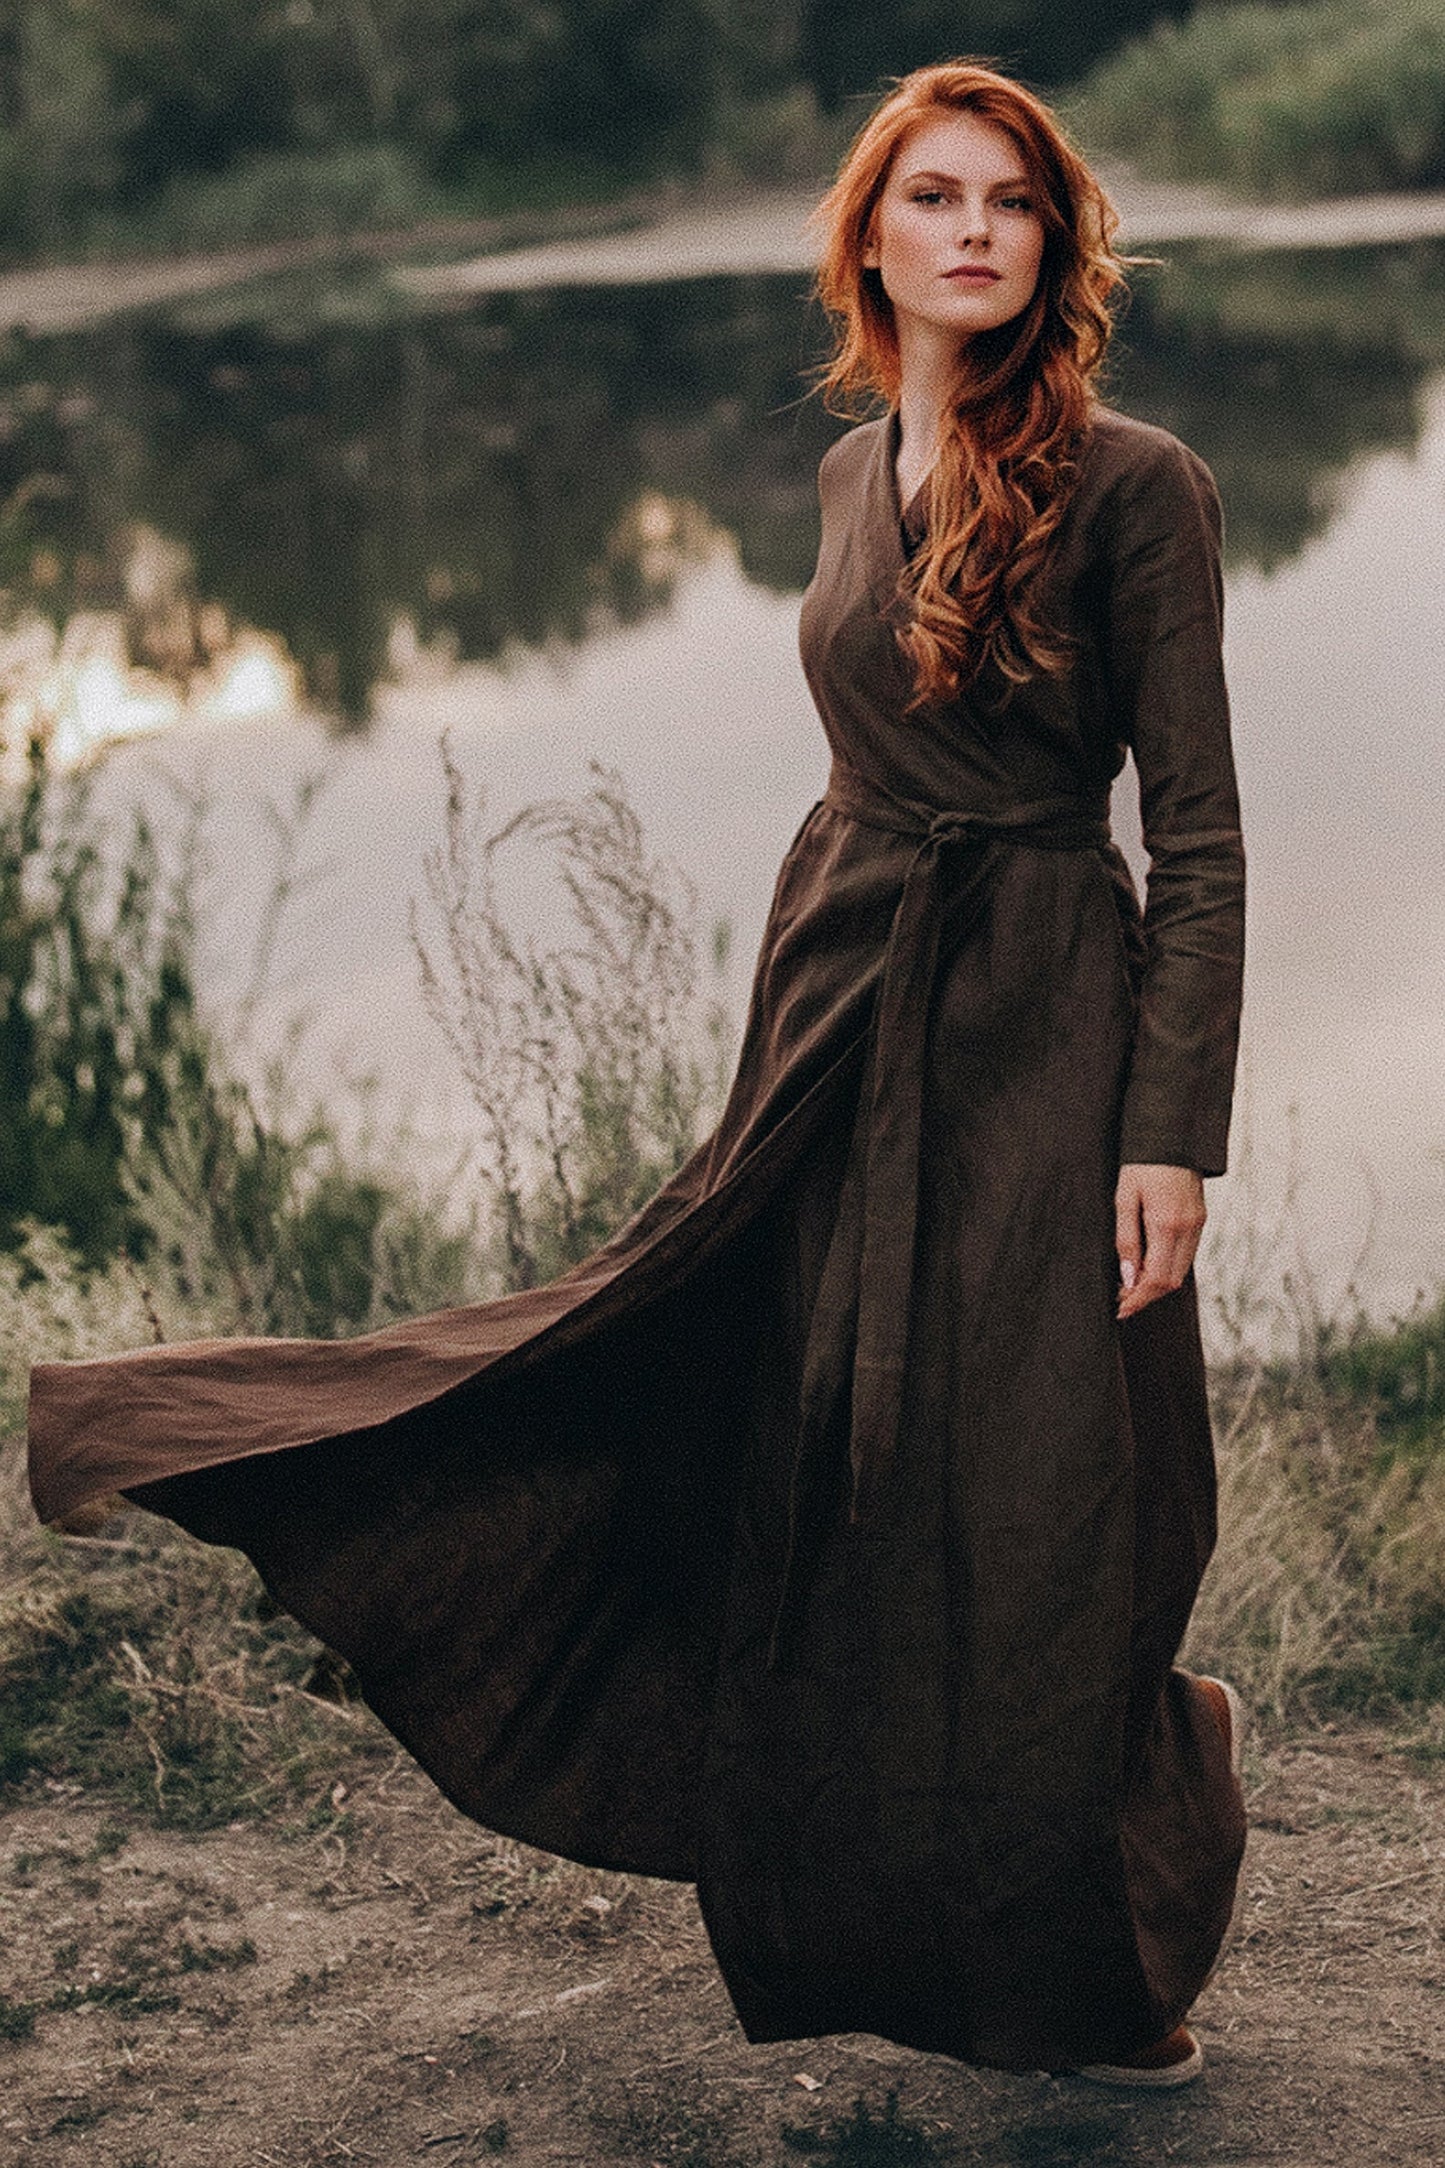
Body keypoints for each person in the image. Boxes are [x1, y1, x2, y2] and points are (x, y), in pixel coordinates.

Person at [27, 61, 1246, 2088]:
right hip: (845, 1003)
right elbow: (869, 770)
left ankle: (1143, 1851)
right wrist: (795, 1029)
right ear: (870, 238)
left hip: (1049, 1011)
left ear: (1055, 243)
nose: (972, 230)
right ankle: (963, 1939)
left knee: (1071, 1491)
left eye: (1011, 202)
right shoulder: (857, 476)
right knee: (785, 1433)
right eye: (930, 196)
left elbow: (1194, 835)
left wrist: (1171, 1134)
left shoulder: (1143, 483)